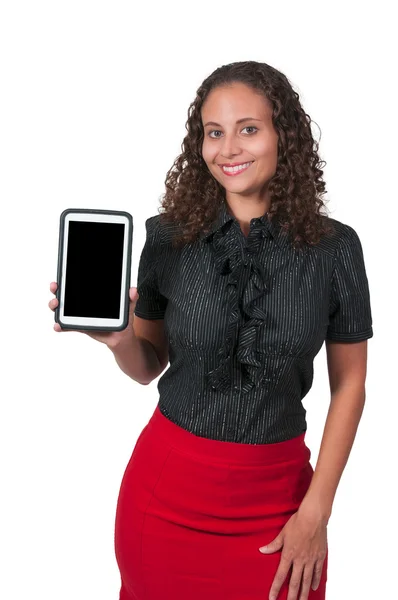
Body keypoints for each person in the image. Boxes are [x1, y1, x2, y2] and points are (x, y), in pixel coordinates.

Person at [48, 60, 373, 600]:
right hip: (167, 494)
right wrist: (120, 340)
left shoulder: (335, 248)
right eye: (213, 133)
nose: (229, 149)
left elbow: (351, 386)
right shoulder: (167, 237)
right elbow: (148, 367)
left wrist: (316, 511)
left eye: (249, 128)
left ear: (282, 136)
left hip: (282, 500)